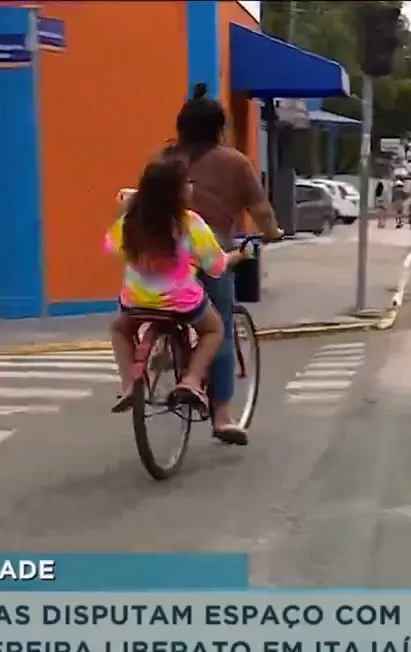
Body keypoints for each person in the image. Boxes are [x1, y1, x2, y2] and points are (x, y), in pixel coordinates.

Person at [162, 84, 284, 444]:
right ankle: (223, 416)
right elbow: (261, 211)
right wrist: (273, 233)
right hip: (207, 252)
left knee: (165, 308)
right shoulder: (234, 163)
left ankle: (164, 350)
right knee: (220, 327)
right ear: (219, 128)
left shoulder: (164, 160)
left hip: (161, 252)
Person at [106, 157, 252, 416]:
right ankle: (192, 380)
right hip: (181, 302)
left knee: (119, 329)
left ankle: (129, 385)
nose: (191, 187)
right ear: (177, 193)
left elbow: (111, 246)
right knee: (214, 330)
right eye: (186, 183)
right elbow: (216, 266)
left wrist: (125, 209)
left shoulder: (132, 221)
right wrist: (238, 256)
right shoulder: (190, 223)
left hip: (137, 301)